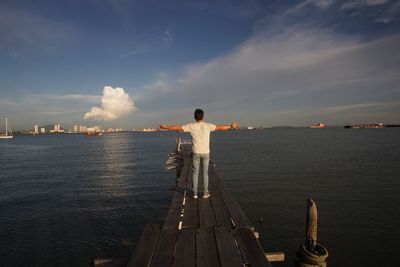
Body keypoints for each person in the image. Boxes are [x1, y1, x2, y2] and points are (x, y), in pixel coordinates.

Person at [160, 109, 238, 199]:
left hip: (196, 153)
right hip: (206, 153)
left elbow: (178, 127)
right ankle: (205, 193)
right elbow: (220, 127)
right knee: (205, 173)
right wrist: (231, 126)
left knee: (195, 173)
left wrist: (166, 127)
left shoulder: (191, 126)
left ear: (194, 117)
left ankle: (195, 193)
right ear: (203, 116)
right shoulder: (208, 126)